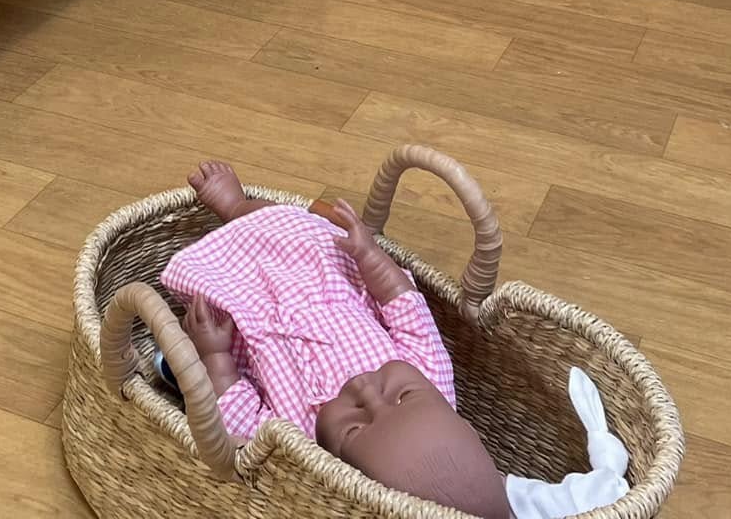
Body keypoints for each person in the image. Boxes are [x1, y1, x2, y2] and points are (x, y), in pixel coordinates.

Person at [166, 160, 514, 519]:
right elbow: (404, 303)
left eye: (354, 427)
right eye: (402, 396)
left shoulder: (301, 445)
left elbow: (239, 416)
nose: (365, 392)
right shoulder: (434, 377)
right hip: (328, 282)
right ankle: (236, 206)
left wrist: (215, 356)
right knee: (304, 234)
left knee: (200, 325)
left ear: (341, 474)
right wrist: (371, 258)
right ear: (457, 419)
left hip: (248, 315)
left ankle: (194, 329)